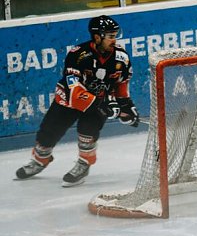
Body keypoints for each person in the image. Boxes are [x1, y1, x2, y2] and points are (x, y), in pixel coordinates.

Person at [15, 15, 138, 187]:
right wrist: (100, 104)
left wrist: (127, 107)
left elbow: (121, 84)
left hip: (99, 101)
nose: (114, 39)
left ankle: (84, 163)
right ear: (97, 37)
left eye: (115, 35)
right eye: (110, 36)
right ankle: (40, 160)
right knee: (49, 131)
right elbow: (74, 87)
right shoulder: (78, 54)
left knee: (87, 131)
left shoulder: (121, 58)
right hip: (69, 99)